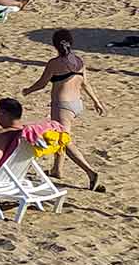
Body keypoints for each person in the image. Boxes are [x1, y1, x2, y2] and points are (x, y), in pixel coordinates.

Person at [22, 30, 106, 190]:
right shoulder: (79, 61)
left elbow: (42, 83)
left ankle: (91, 172)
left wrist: (28, 90)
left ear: (55, 45)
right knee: (61, 134)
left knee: (63, 140)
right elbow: (85, 83)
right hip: (77, 104)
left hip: (62, 106)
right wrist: (96, 101)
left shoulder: (54, 63)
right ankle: (57, 169)